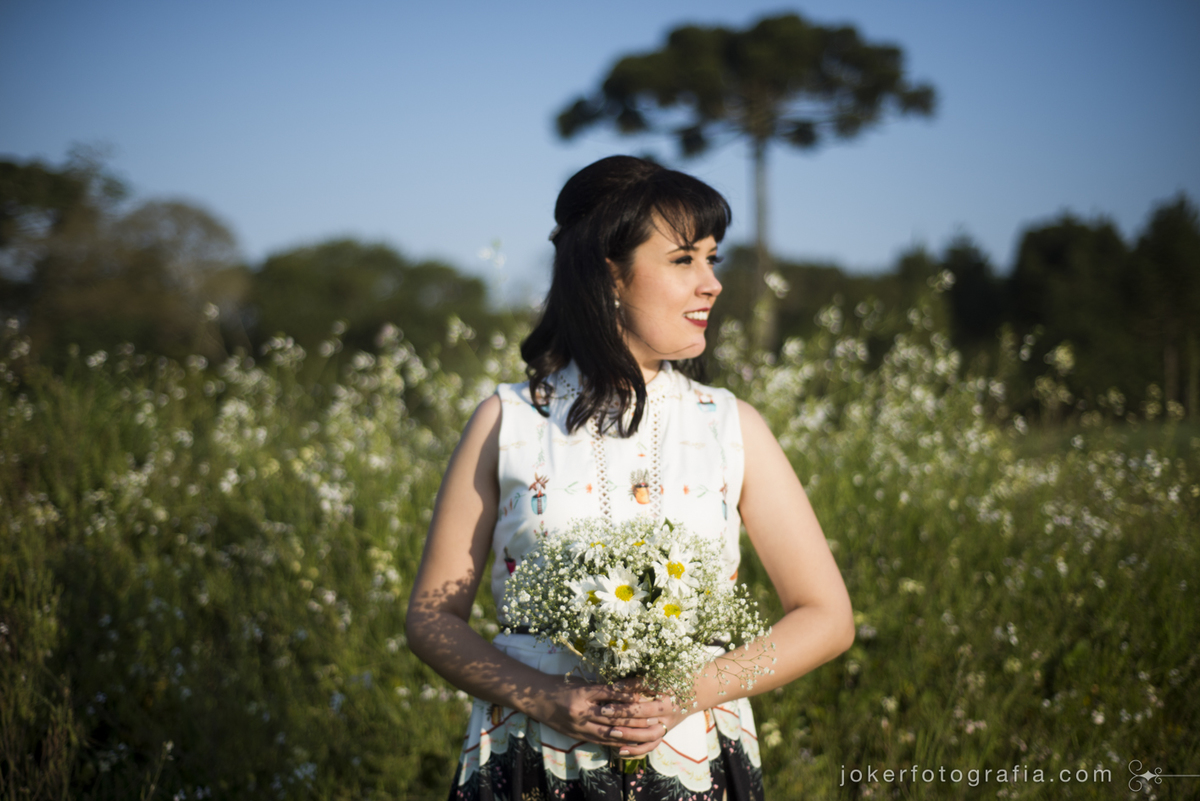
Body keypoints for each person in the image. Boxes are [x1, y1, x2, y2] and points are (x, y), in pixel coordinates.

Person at [407, 156, 854, 800]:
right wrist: (545, 698)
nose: (712, 284)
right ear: (609, 274)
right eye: (684, 260)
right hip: (531, 760)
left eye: (712, 259)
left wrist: (687, 692)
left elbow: (827, 616)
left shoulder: (731, 425)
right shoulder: (507, 420)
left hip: (694, 760)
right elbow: (431, 618)